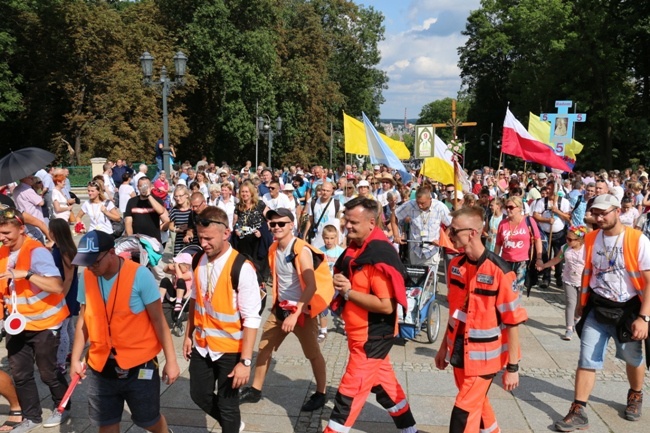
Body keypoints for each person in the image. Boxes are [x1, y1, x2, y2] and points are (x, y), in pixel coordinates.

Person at [554, 194, 650, 431]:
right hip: (597, 308)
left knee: (632, 358)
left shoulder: (637, 240)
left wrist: (644, 317)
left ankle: (636, 394)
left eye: (603, 212)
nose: (598, 217)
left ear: (617, 211)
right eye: (595, 213)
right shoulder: (591, 238)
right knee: (586, 359)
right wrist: (581, 303)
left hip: (629, 309)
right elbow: (589, 271)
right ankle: (578, 409)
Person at [70, 230, 180, 433]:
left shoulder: (140, 275)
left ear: (112, 252)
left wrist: (171, 361)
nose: (92, 267)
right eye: (87, 263)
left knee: (148, 420)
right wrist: (75, 359)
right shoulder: (87, 276)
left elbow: (159, 321)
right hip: (100, 365)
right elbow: (84, 322)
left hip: (140, 364)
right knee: (107, 423)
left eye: (95, 262)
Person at [323, 197, 417, 433]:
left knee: (349, 393)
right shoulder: (357, 247)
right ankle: (410, 430)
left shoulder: (378, 254)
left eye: (354, 222)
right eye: (347, 220)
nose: (347, 225)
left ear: (371, 222)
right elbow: (350, 280)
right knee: (385, 386)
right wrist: (340, 282)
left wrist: (348, 293)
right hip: (360, 335)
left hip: (372, 337)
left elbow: (386, 306)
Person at [435, 206, 527, 433]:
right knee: (477, 401)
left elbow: (512, 321)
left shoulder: (501, 272)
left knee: (463, 411)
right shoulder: (455, 266)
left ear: (473, 233)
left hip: (485, 357)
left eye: (454, 231)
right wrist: (442, 348)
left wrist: (513, 367)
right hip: (458, 348)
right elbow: (454, 313)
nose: (449, 235)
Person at [240, 208, 329, 413]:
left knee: (312, 353)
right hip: (280, 308)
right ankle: (255, 389)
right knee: (264, 348)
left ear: (292, 225)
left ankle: (321, 392)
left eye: (281, 223)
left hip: (302, 312)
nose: (276, 227)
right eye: (273, 224)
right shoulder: (273, 248)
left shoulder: (300, 250)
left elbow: (311, 286)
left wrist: (297, 313)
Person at [182, 207, 261, 433]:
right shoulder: (199, 259)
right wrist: (188, 336)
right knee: (199, 395)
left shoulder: (242, 268)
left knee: (228, 406)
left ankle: (231, 426)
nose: (204, 243)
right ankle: (234, 425)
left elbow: (252, 319)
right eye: (200, 237)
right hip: (202, 344)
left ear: (226, 233)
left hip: (230, 348)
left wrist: (245, 362)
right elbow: (195, 301)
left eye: (209, 238)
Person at [0, 208, 70, 433]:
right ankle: (31, 417)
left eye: (6, 232)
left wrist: (27, 275)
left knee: (48, 372)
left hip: (45, 324)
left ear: (21, 229)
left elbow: (58, 286)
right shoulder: (2, 251)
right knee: (20, 373)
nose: (2, 237)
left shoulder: (36, 252)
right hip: (17, 323)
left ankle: (63, 406)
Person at [537, 225, 587, 341]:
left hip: (583, 282)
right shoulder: (565, 248)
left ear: (579, 240)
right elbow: (557, 259)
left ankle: (575, 319)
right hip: (568, 280)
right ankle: (569, 328)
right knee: (570, 303)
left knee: (581, 305)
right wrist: (544, 266)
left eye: (570, 239)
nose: (567, 241)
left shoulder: (587, 249)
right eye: (567, 238)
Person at [48, 218, 80, 374]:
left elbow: (68, 277)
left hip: (66, 292)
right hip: (65, 291)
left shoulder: (65, 251)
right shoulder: (58, 247)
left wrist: (61, 297)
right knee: (70, 327)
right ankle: (74, 353)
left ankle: (60, 363)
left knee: (63, 328)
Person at [392, 185, 451, 266]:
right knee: (415, 277)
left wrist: (442, 239)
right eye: (418, 202)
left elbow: (452, 224)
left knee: (429, 278)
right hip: (415, 250)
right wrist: (396, 235)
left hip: (431, 251)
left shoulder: (440, 207)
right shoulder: (411, 204)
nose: (419, 205)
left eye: (422, 203)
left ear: (430, 199)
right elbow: (395, 215)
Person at [495, 196, 543, 294]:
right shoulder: (503, 223)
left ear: (520, 208)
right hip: (506, 261)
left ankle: (515, 308)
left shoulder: (529, 221)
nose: (508, 209)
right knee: (505, 289)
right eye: (506, 207)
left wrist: (539, 258)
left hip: (522, 262)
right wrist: (494, 261)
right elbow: (498, 244)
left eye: (511, 207)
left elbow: (538, 240)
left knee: (517, 290)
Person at [317, 224, 345, 343]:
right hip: (323, 284)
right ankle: (323, 331)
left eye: (332, 238)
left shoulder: (341, 252)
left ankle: (346, 325)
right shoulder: (319, 251)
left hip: (337, 285)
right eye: (327, 238)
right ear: (323, 238)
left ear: (336, 238)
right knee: (322, 307)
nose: (329, 241)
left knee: (338, 308)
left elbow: (344, 268)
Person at [304, 181, 341, 249]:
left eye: (327, 191)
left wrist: (338, 240)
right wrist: (304, 236)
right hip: (316, 238)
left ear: (332, 191)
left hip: (331, 240)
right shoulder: (313, 202)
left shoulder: (337, 204)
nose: (325, 192)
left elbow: (340, 223)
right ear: (320, 190)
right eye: (323, 190)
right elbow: (309, 220)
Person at [168, 185, 193, 257]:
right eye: (176, 196)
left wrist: (189, 227)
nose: (178, 198)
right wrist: (177, 230)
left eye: (180, 196)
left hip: (193, 242)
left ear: (186, 195)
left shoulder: (192, 208)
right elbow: (171, 226)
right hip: (179, 242)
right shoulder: (174, 210)